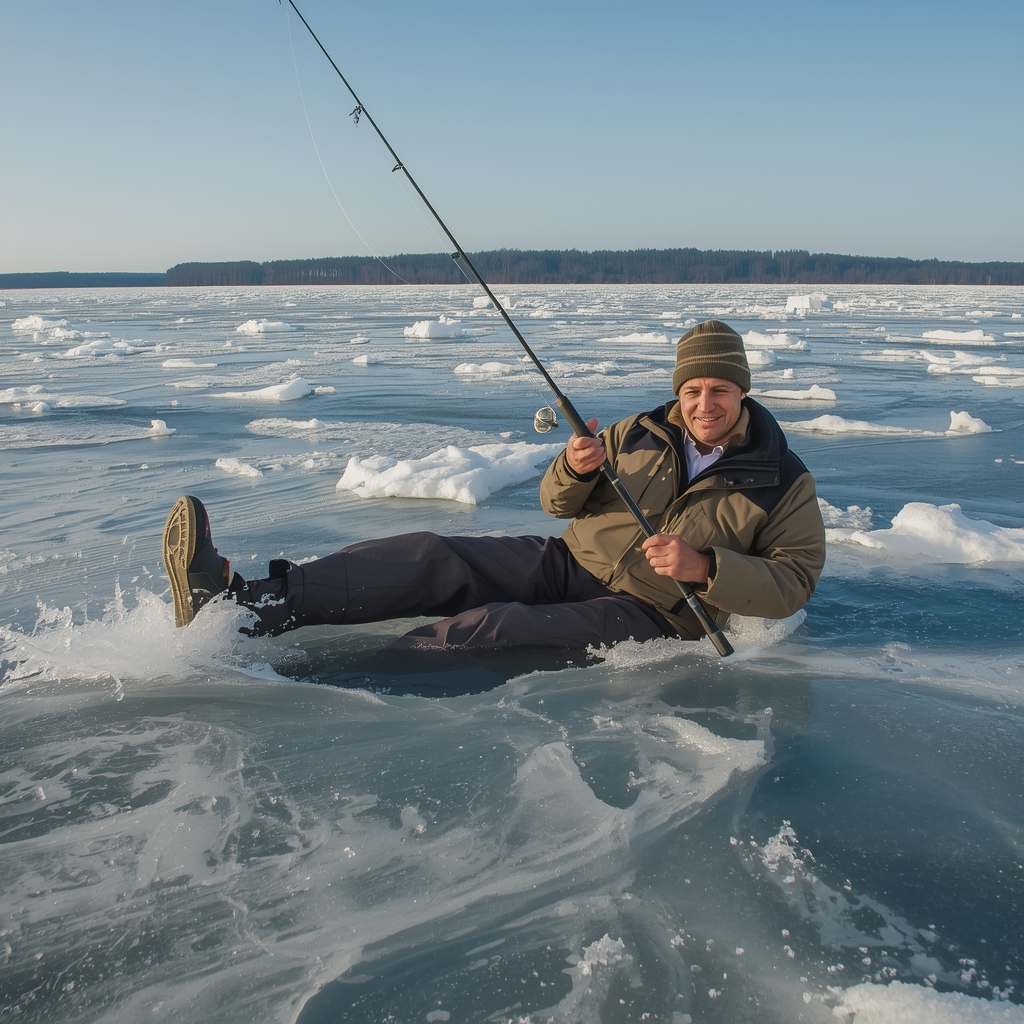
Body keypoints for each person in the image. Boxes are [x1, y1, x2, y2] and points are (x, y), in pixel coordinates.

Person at [162, 320, 826, 649]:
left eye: (719, 390)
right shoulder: (639, 432)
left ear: (743, 391)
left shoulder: (782, 480)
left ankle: (311, 675)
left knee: (491, 630)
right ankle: (246, 603)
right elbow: (555, 504)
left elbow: (794, 582)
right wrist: (574, 468)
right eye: (692, 389)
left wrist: (704, 568)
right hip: (569, 562)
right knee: (431, 555)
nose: (704, 404)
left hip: (655, 610)